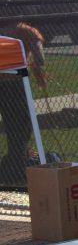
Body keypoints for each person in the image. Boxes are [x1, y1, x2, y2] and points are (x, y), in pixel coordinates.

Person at [0, 22, 47, 183]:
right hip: (16, 82)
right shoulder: (26, 31)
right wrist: (38, 65)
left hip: (3, 82)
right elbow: (39, 57)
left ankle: (16, 156)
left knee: (11, 121)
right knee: (23, 122)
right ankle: (19, 158)